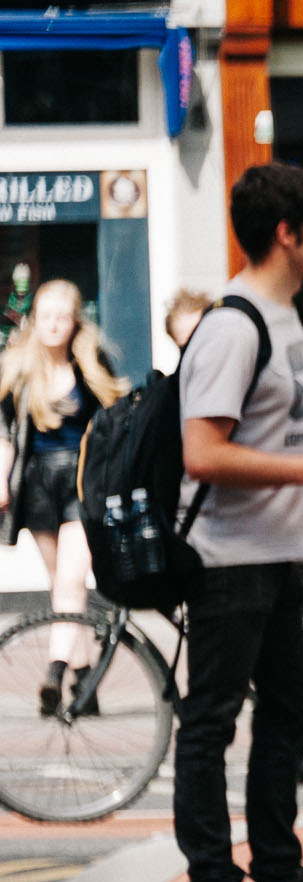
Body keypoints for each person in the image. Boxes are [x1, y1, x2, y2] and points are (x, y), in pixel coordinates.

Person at [176, 162, 303, 882]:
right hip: (227, 560)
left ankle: (281, 881)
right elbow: (202, 453)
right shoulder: (234, 324)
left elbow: (271, 435)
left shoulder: (285, 318)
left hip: (276, 552)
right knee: (212, 721)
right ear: (286, 234)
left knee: (290, 718)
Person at [0, 278, 128, 713]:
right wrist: (1, 481)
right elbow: (6, 436)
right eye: (45, 317)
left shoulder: (93, 363)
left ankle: (54, 673)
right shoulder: (17, 366)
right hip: (37, 486)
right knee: (61, 587)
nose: (53, 326)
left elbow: (114, 422)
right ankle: (85, 680)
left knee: (72, 580)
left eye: (62, 317)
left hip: (80, 481)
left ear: (75, 323)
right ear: (34, 321)